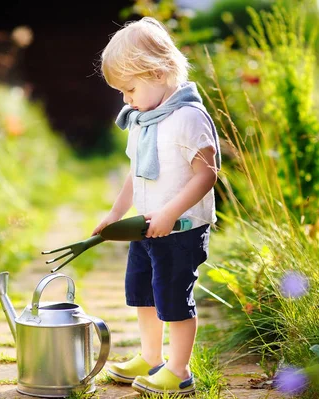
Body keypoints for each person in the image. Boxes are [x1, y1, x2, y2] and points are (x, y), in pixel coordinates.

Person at [94, 16, 221, 396]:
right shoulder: (143, 120)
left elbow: (207, 173)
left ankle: (179, 370)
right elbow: (137, 175)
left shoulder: (188, 118)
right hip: (146, 226)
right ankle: (151, 358)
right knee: (143, 292)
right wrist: (115, 215)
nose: (125, 98)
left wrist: (169, 213)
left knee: (173, 296)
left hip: (179, 230)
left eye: (129, 88)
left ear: (159, 71)